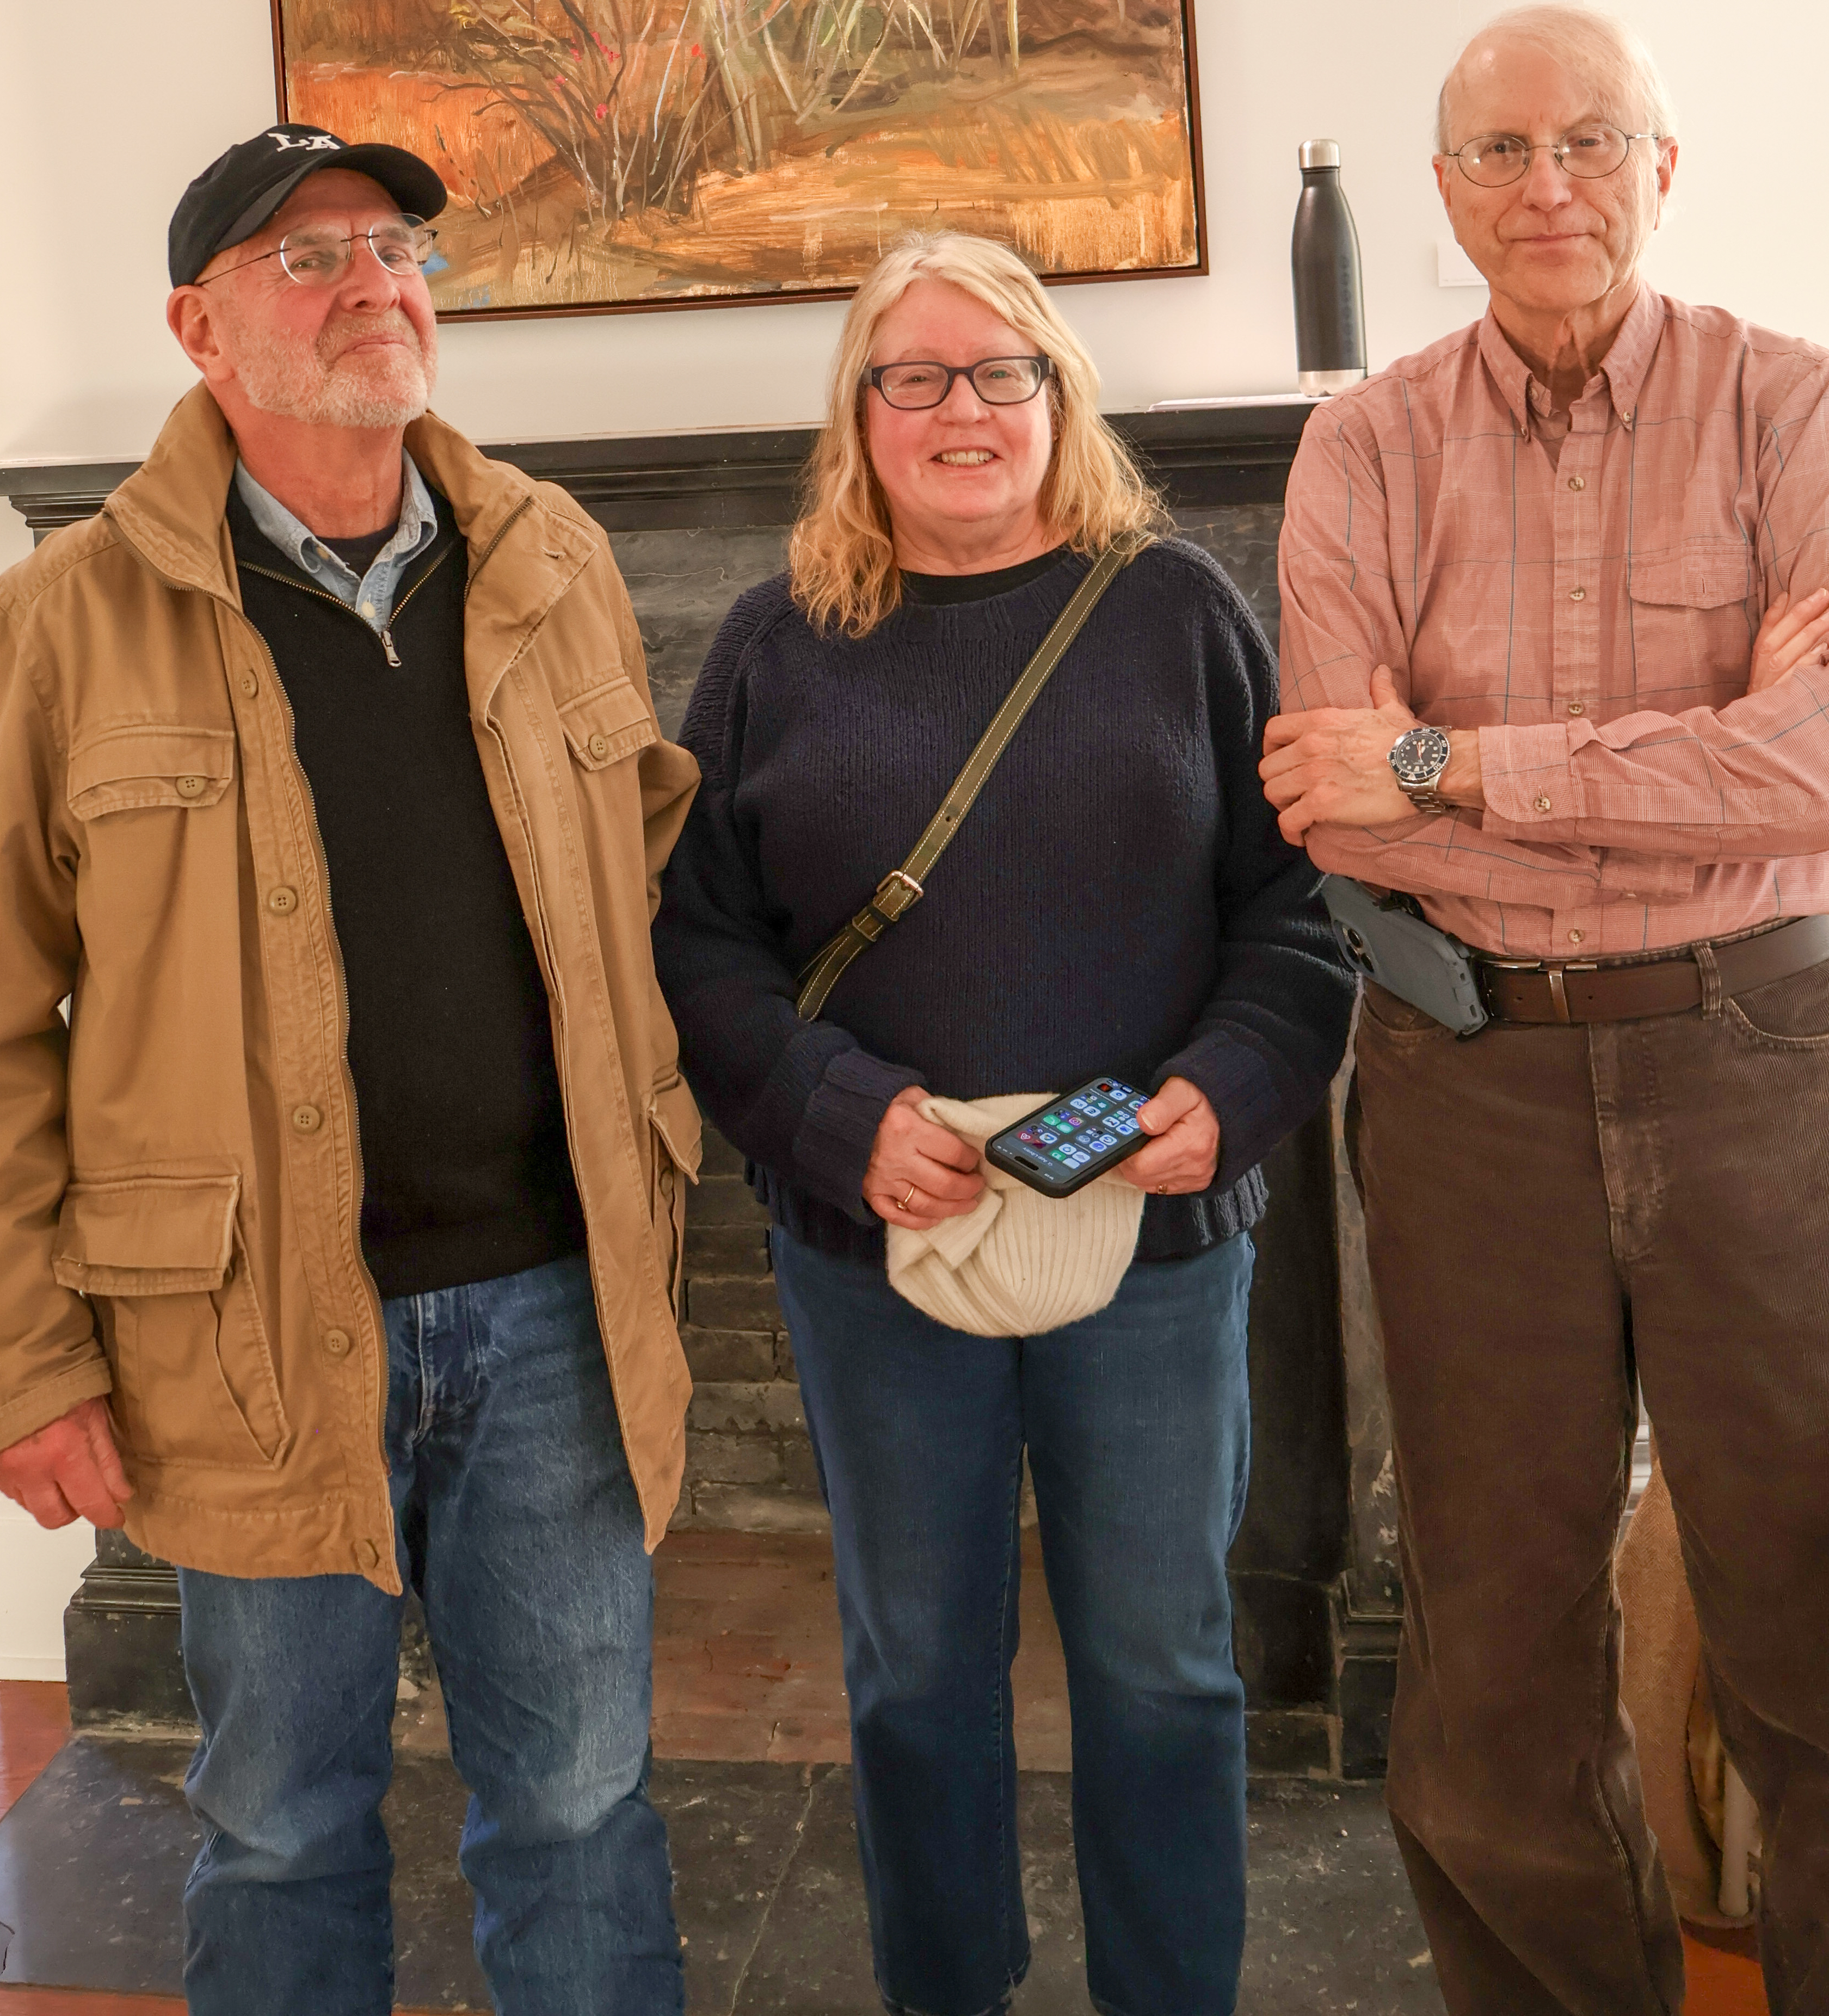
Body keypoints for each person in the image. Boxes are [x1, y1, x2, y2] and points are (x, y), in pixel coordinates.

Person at [0, 124, 701, 2014]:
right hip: (246, 1334)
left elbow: (642, 884)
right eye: (313, 260)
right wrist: (19, 1363)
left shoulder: (555, 558)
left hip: (555, 1308)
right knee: (283, 1822)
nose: (376, 285)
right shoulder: (60, 624)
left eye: (397, 252)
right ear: (200, 326)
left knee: (585, 1807)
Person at [652, 231, 1355, 2016]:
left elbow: (1298, 912)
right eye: (916, 377)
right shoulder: (773, 643)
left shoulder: (1180, 612)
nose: (961, 409)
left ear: (1059, 397)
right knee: (912, 1676)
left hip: (1156, 1247)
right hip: (877, 1247)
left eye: (1000, 373)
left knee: (1163, 1667)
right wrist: (835, 1113)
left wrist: (1230, 1089)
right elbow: (701, 946)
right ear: (859, 415)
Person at [1262, 10, 1829, 2012]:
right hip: (1463, 1070)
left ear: (1662, 171)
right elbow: (1337, 797)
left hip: (1766, 1063)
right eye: (1499, 153)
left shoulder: (1797, 408)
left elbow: (1824, 764)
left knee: (1815, 1614)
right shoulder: (1365, 443)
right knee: (1493, 1655)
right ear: (1443, 197)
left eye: (1591, 142)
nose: (1548, 185)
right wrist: (1668, 769)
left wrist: (1464, 766)